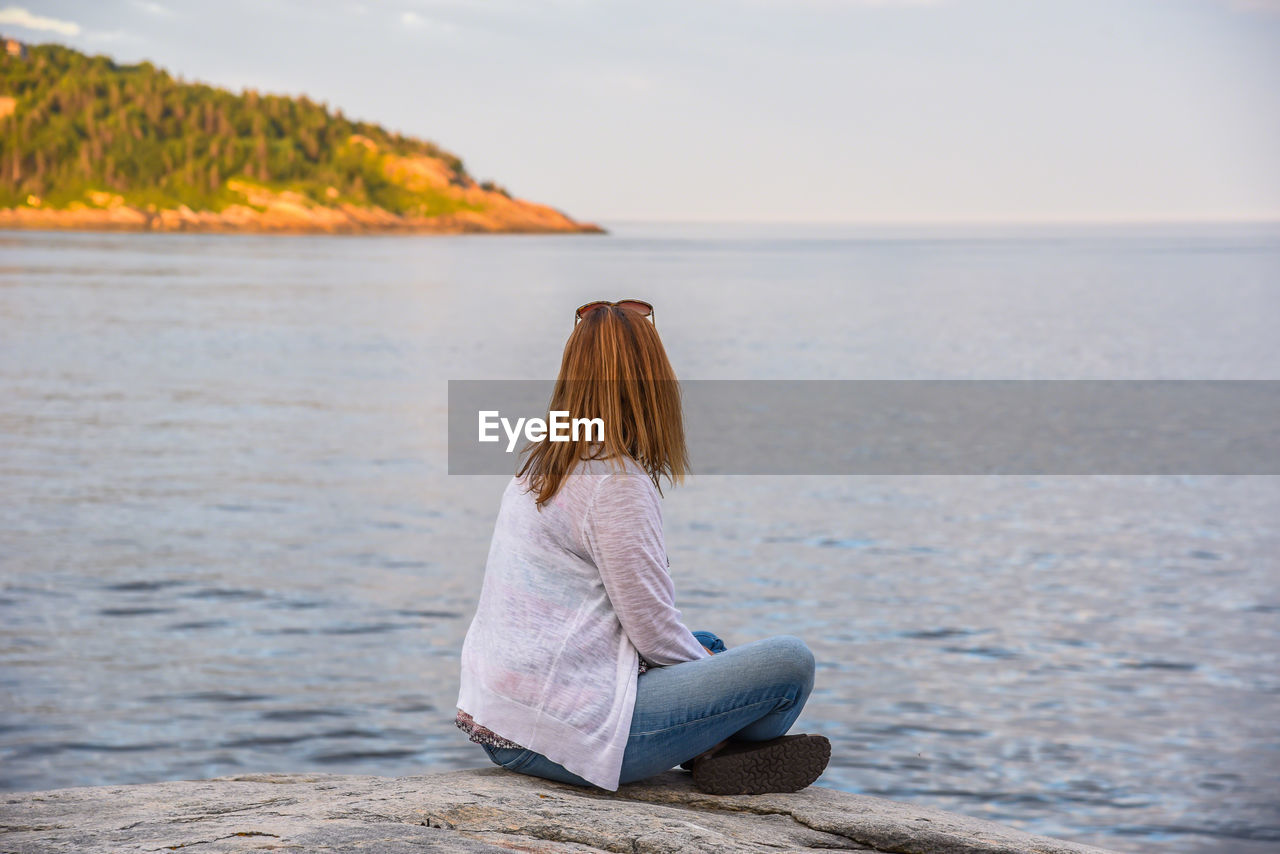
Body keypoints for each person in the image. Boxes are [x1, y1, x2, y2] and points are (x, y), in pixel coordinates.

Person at [455, 299, 829, 794]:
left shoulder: (543, 463)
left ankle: (714, 748)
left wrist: (708, 663)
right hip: (555, 733)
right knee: (788, 663)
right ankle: (718, 751)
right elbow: (651, 632)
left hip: (502, 717)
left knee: (709, 643)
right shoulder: (615, 482)